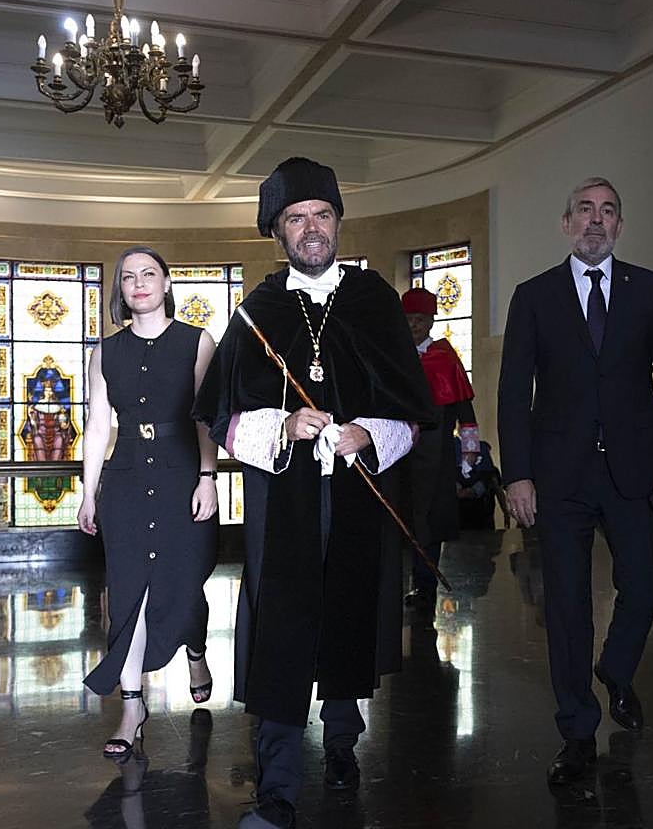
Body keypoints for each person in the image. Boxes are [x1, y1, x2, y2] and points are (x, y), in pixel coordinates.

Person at [192, 157, 433, 829]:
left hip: (358, 494)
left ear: (337, 221)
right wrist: (285, 424)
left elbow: (412, 414)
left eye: (320, 215)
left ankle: (343, 737)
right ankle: (276, 790)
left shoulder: (376, 301)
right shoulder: (257, 311)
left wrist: (368, 432)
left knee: (350, 610)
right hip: (286, 498)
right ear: (278, 232)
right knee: (283, 627)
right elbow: (223, 417)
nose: (310, 228)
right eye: (295, 218)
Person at [498, 176, 653, 786]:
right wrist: (519, 475)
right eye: (584, 210)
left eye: (607, 211)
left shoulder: (652, 291)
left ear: (619, 225)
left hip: (635, 473)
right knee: (565, 604)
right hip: (559, 478)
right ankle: (577, 730)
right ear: (566, 223)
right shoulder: (534, 295)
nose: (595, 220)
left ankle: (615, 669)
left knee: (645, 584)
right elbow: (513, 393)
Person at [78, 246, 220, 760]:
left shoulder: (197, 342)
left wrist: (208, 477)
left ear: (165, 284)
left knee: (184, 584)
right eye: (129, 277)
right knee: (130, 594)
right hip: (128, 481)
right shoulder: (105, 352)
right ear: (120, 290)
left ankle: (196, 650)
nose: (139, 283)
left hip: (185, 473)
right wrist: (88, 492)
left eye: (150, 274)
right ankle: (132, 706)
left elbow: (207, 418)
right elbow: (98, 427)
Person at [399, 286, 479, 612]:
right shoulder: (395, 356)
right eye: (409, 319)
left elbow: (466, 413)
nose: (415, 325)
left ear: (431, 321)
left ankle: (424, 586)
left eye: (420, 319)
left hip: (438, 457)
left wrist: (470, 452)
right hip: (399, 454)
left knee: (429, 524)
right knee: (401, 520)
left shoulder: (445, 357)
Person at [454, 437, 501, 531]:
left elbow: (496, 488)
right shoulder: (456, 470)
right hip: (465, 517)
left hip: (481, 516)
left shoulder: (487, 472)